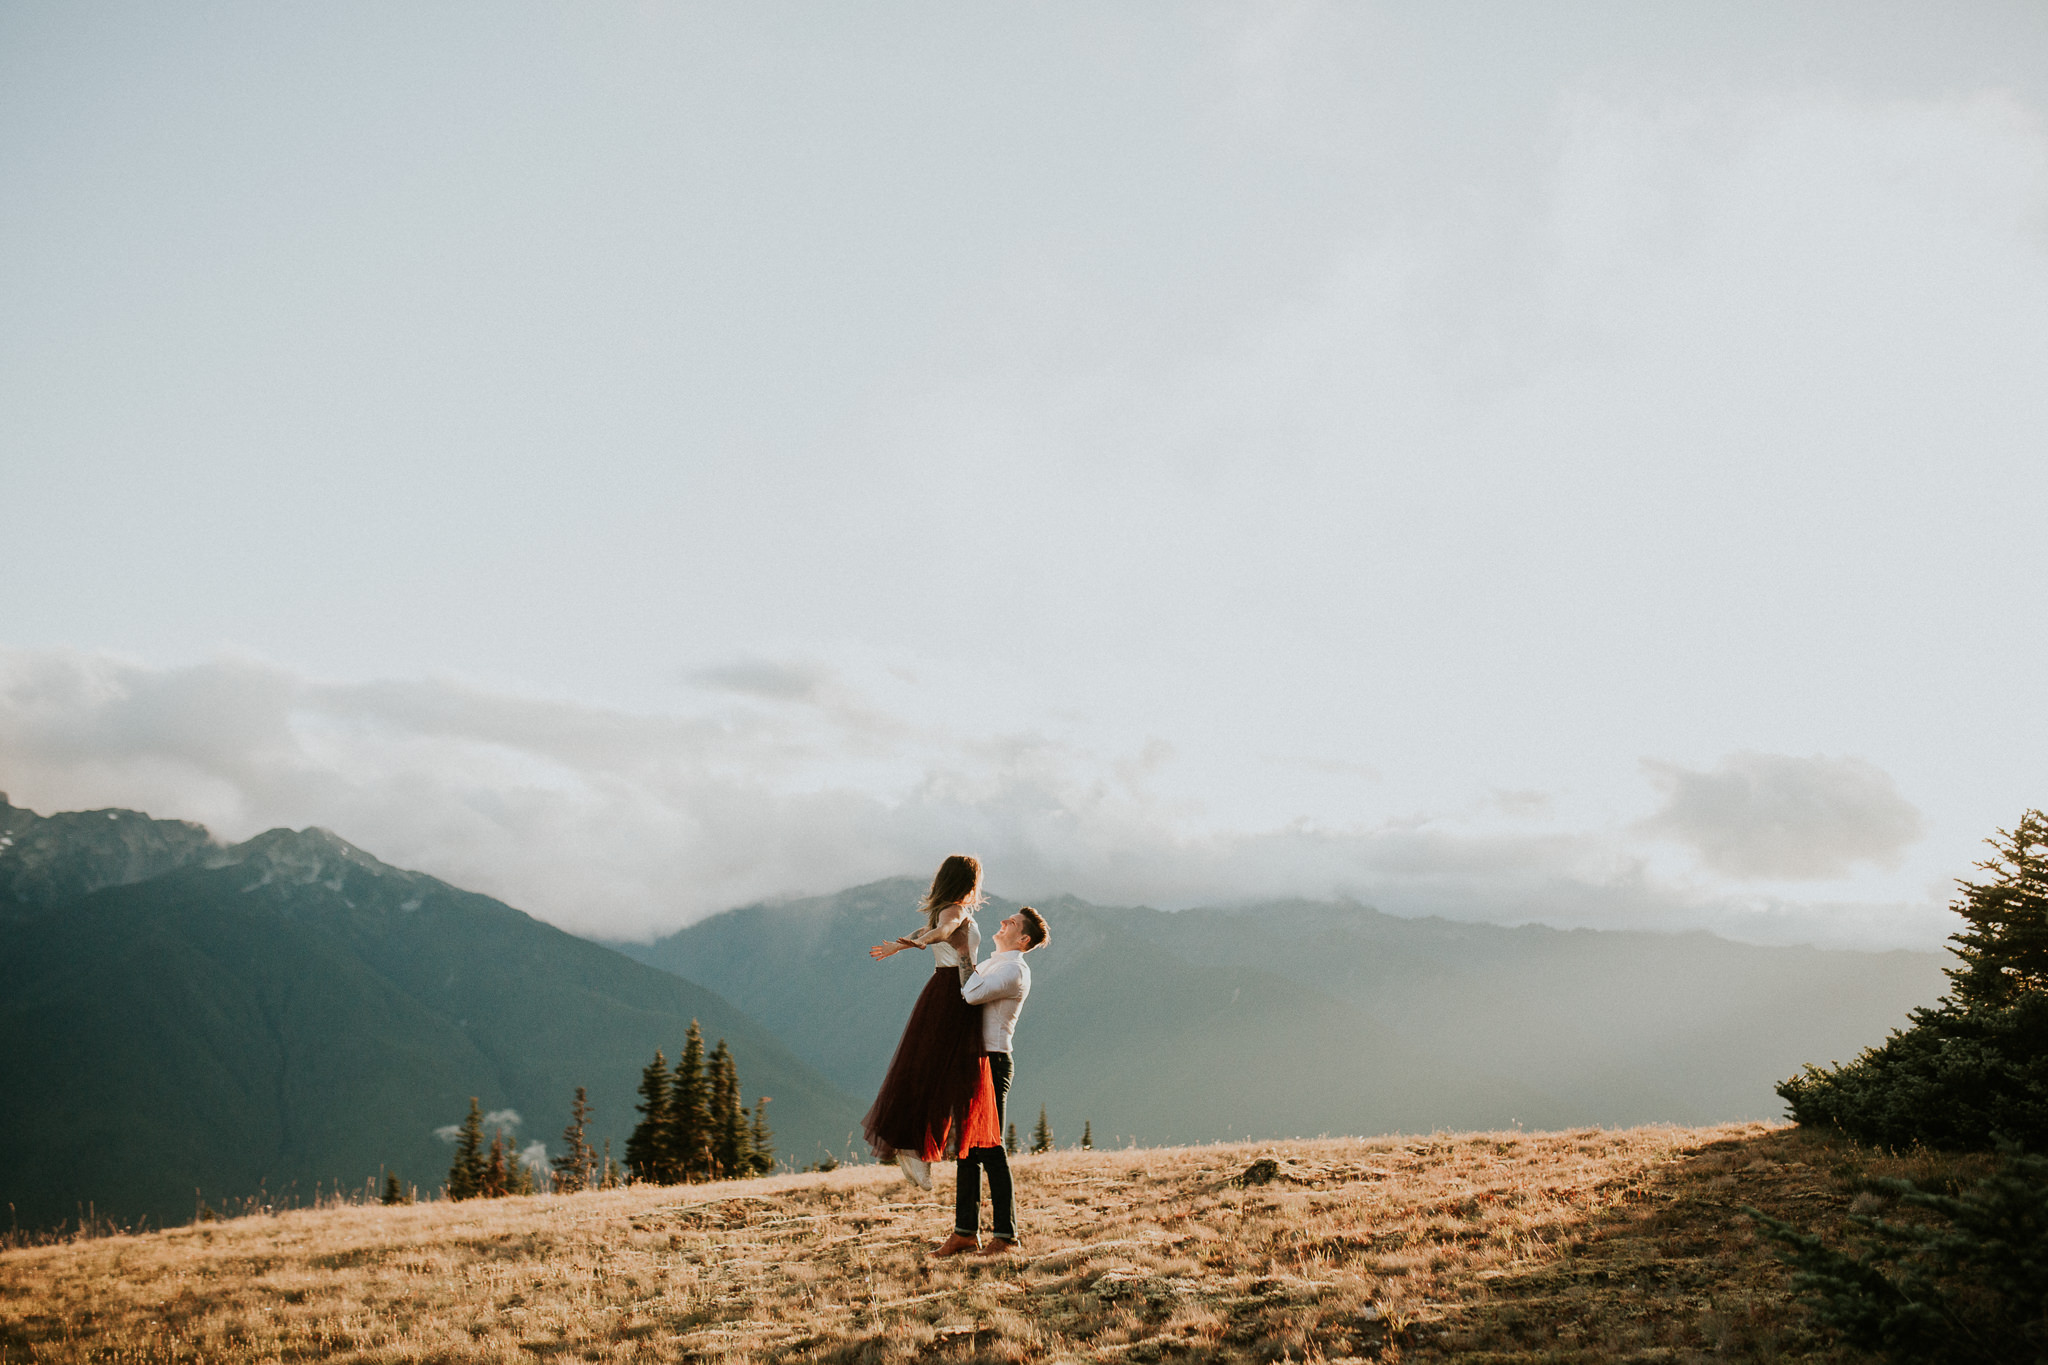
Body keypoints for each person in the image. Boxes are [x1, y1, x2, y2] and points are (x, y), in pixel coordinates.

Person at [863, 855, 1003, 1190]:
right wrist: (922, 940)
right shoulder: (953, 910)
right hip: (951, 993)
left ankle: (921, 1150)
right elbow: (944, 930)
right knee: (942, 1075)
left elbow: (931, 931)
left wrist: (903, 944)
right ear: (968, 882)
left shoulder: (947, 909)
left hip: (955, 991)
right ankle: (915, 1149)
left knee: (939, 1073)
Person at [932, 905, 1048, 1258]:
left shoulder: (1014, 970)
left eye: (1011, 923)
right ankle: (965, 1232)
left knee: (990, 1149)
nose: (1003, 922)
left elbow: (970, 994)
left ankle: (1006, 1235)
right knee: (967, 1148)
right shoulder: (996, 963)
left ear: (1023, 938)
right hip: (974, 1060)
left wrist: (965, 951)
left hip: (992, 1062)